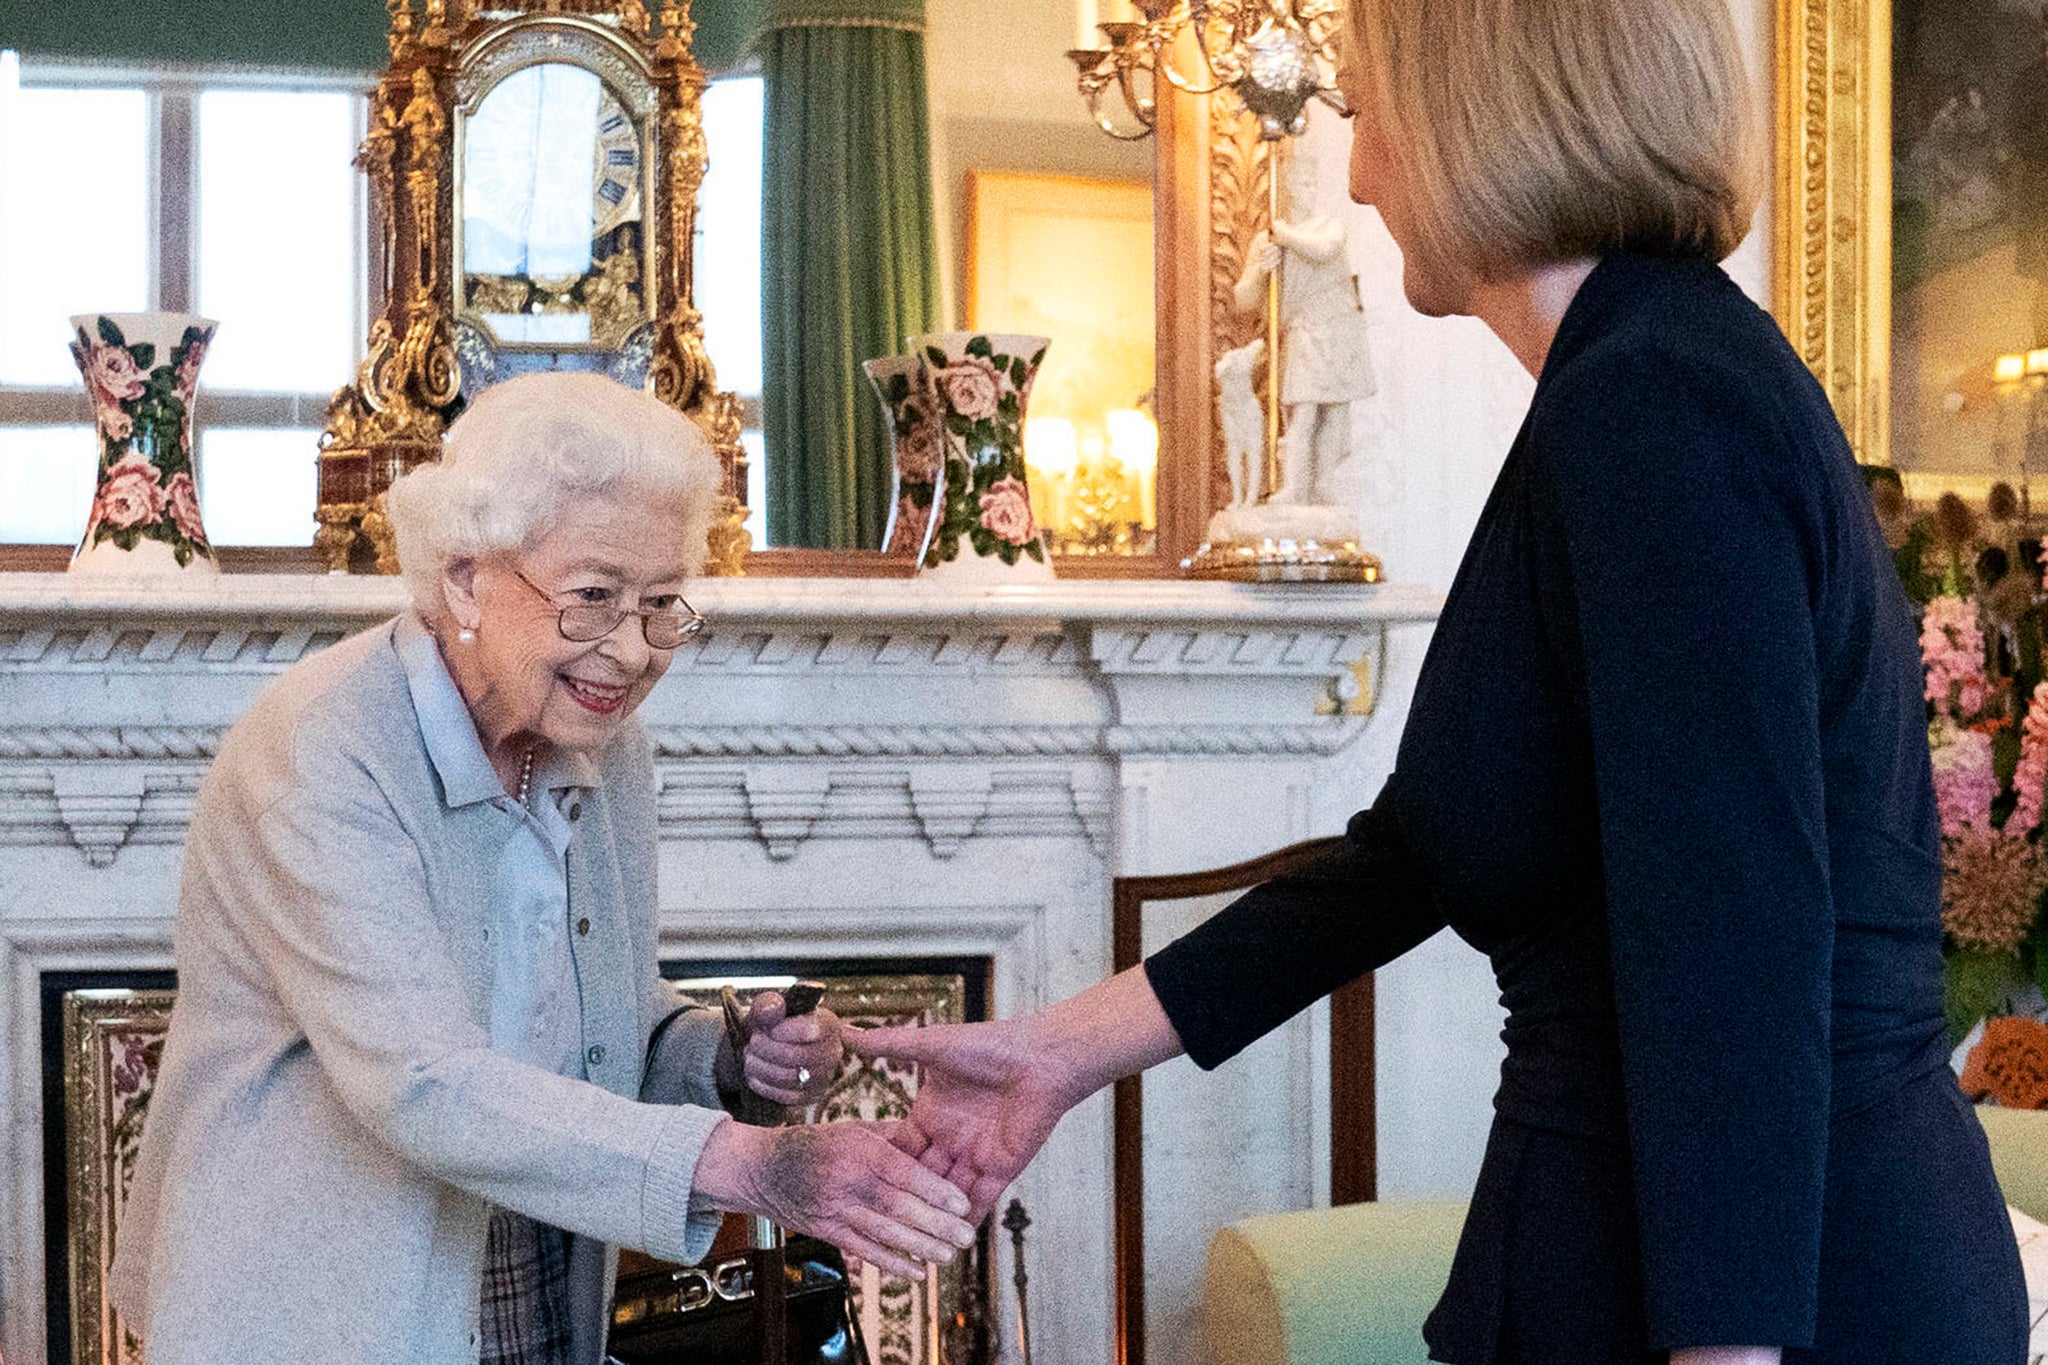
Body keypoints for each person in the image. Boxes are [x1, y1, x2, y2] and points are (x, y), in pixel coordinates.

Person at [852, 1, 2032, 1362]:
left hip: (1783, 1289)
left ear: (1488, 116)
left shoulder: (1654, 398)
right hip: (1674, 1250)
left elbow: (1733, 928)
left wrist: (1725, 1348)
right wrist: (1061, 1050)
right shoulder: (1638, 371)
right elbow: (1424, 850)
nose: (1358, 179)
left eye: (1371, 119)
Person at [109, 372, 974, 1365]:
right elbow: (420, 1080)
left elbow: (588, 1015)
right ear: (466, 577)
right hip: (324, 1295)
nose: (632, 649)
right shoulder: (318, 749)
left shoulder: (603, 746)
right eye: (593, 596)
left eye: (661, 605)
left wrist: (724, 1058)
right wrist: (752, 1166)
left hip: (535, 1261)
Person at [1232, 149, 1376, 505]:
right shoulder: (1267, 239)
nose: (1308, 189)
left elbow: (1325, 250)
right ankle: (1295, 488)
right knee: (1304, 410)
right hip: (1305, 331)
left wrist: (1286, 236)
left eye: (1312, 182)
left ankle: (1323, 483)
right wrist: (1262, 270)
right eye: (1300, 182)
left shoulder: (1327, 228)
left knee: (1336, 412)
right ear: (1287, 188)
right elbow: (1244, 299)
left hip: (1339, 327)